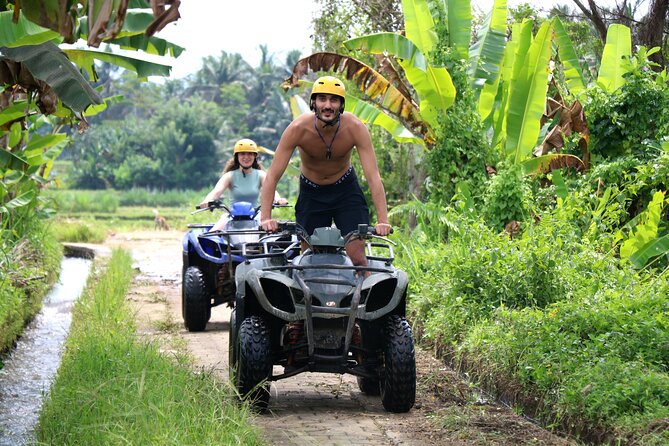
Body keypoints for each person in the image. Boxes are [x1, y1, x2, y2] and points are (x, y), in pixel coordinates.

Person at [259, 76, 392, 268]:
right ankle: (308, 298)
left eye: (334, 100)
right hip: (312, 194)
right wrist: (265, 218)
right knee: (309, 261)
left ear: (341, 104)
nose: (328, 105)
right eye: (322, 99)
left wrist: (383, 220)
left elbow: (373, 176)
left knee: (358, 258)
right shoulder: (297, 129)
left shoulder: (355, 128)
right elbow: (272, 176)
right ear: (314, 102)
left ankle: (360, 295)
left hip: (346, 191)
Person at [200, 138, 286, 231]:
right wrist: (207, 200)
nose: (246, 157)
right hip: (232, 217)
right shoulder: (229, 176)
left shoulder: (261, 175)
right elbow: (216, 192)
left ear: (254, 156)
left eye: (250, 154)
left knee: (271, 236)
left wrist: (278, 199)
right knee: (211, 237)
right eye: (242, 154)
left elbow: (271, 191)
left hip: (256, 217)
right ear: (237, 157)